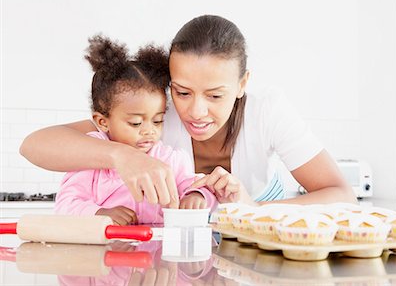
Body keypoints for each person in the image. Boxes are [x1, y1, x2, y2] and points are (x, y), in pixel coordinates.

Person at [20, 15, 356, 207]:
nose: (196, 111)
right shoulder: (155, 114)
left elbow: (341, 195)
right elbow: (34, 145)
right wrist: (120, 156)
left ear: (242, 85)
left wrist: (251, 211)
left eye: (214, 95)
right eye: (182, 92)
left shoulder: (267, 110)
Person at [54, 35, 216, 225]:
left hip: (157, 252)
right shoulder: (91, 158)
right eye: (136, 123)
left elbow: (199, 187)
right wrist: (100, 213)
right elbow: (65, 205)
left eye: (157, 121)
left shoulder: (170, 159)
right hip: (105, 252)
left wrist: (197, 195)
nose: (149, 132)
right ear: (103, 121)